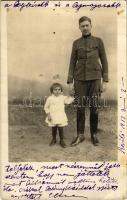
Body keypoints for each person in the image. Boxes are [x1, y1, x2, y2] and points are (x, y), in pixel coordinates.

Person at [67, 16, 108, 146]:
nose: (85, 28)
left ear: (91, 26)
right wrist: (70, 82)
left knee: (94, 108)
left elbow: (104, 60)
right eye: (82, 26)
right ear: (79, 27)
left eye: (87, 25)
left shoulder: (98, 41)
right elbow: (72, 62)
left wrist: (105, 80)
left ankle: (94, 134)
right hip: (79, 79)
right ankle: (80, 135)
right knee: (80, 108)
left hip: (95, 79)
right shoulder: (76, 43)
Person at [44, 82, 74, 148]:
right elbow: (46, 107)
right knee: (54, 128)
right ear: (52, 91)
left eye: (59, 90)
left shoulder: (63, 97)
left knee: (61, 128)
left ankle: (61, 140)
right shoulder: (50, 98)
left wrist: (71, 96)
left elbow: (68, 101)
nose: (57, 91)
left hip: (60, 116)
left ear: (61, 91)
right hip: (53, 116)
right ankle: (54, 139)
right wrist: (48, 114)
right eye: (55, 90)